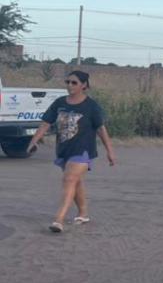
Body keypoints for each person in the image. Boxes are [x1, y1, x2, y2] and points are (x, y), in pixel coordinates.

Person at [26, 70, 117, 233]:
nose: (70, 85)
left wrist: (110, 151)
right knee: (76, 181)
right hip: (64, 149)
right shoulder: (60, 102)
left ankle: (58, 219)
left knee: (69, 179)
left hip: (83, 150)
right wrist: (33, 142)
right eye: (67, 82)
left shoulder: (91, 106)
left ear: (84, 86)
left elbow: (101, 129)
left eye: (74, 82)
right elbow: (46, 123)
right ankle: (83, 213)